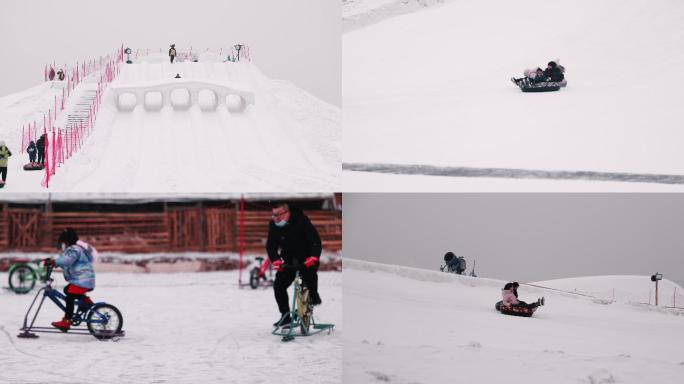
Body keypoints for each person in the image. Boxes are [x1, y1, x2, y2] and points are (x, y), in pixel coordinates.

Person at [266, 202, 323, 327]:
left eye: (278, 215)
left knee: (309, 276)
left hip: (306, 256)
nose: (276, 218)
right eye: (273, 215)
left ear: (287, 213)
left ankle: (314, 295)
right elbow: (271, 247)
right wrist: (276, 260)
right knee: (279, 286)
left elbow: (315, 240)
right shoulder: (274, 225)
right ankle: (285, 316)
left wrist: (313, 256)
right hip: (288, 259)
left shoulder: (301, 220)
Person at [50, 228, 96, 331]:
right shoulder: (75, 249)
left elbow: (67, 260)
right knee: (67, 290)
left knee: (70, 297)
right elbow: (68, 263)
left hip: (83, 279)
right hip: (84, 279)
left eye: (64, 242)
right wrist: (53, 262)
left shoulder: (74, 249)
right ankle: (86, 301)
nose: (63, 245)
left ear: (67, 241)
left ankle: (66, 321)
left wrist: (55, 262)